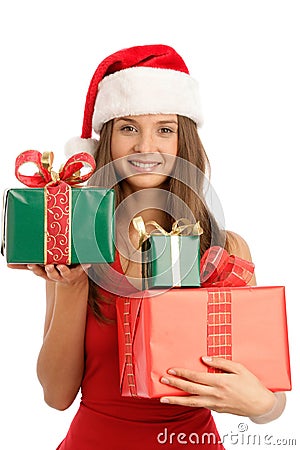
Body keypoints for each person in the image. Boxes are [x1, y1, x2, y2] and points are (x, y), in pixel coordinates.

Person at [11, 45, 286, 449]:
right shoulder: (75, 245)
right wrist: (72, 285)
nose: (145, 148)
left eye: (165, 129)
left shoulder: (224, 250)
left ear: (184, 141)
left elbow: (269, 394)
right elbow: (56, 396)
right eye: (127, 128)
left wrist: (262, 406)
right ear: (106, 142)